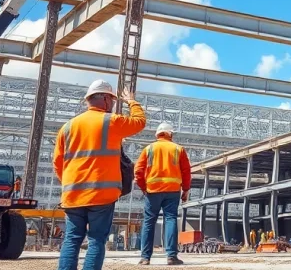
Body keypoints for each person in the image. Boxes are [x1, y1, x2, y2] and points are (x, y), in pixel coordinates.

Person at [53, 79, 146, 270]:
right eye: (111, 100)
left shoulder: (67, 127)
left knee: (71, 240)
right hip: (101, 195)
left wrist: (70, 184)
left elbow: (57, 162)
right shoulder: (111, 122)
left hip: (73, 195)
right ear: (104, 99)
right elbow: (139, 122)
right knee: (96, 240)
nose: (112, 104)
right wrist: (131, 101)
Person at [134, 121, 191, 266]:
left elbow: (138, 171)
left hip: (153, 190)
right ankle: (171, 256)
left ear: (158, 134)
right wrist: (186, 189)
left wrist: (143, 187)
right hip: (172, 190)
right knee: (171, 219)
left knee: (149, 222)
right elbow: (186, 171)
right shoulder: (178, 149)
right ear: (170, 133)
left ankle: (145, 258)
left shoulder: (149, 149)